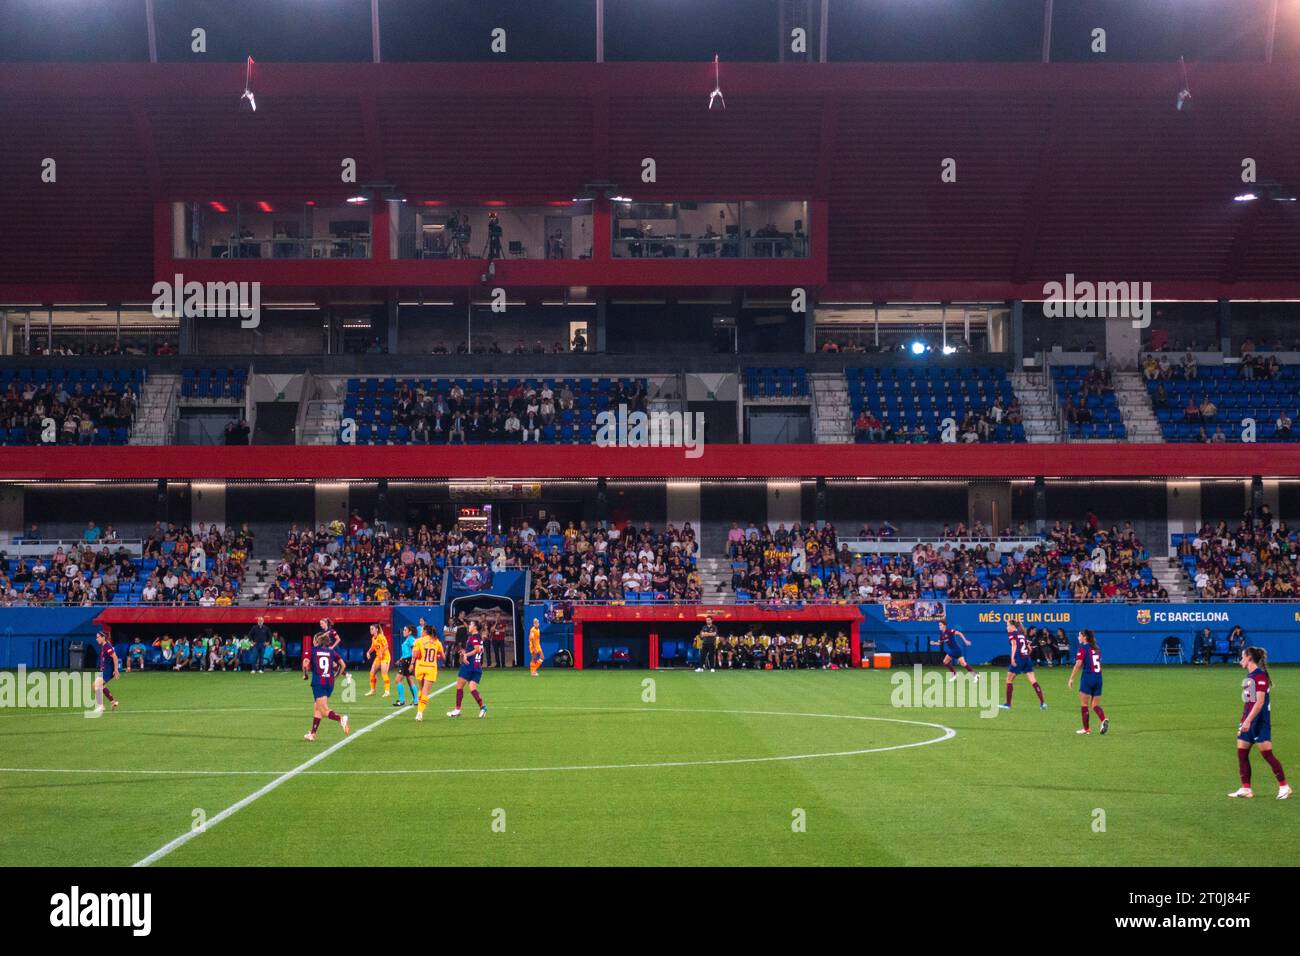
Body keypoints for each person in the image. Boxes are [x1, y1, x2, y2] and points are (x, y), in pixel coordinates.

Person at [1229, 646, 1291, 799]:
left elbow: (1260, 703)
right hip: (1248, 721)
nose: (1240, 660)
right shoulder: (1249, 676)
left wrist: (1248, 721)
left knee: (1267, 754)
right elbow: (1249, 703)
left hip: (1260, 722)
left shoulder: (1260, 677)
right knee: (1241, 752)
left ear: (1249, 657)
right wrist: (1243, 721)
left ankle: (1284, 787)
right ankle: (1246, 789)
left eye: (1242, 656)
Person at [303, 632, 350, 742]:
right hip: (330, 682)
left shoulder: (313, 650)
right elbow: (342, 665)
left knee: (323, 710)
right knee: (317, 707)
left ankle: (340, 719)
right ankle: (313, 734)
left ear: (317, 641)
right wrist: (337, 675)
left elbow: (305, 664)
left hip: (318, 682)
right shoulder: (331, 651)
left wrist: (305, 675)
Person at [1067, 629, 1108, 735]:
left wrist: (1071, 678)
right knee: (1095, 705)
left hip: (1088, 678)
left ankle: (1086, 729)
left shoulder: (1083, 648)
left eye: (1079, 635)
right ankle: (1104, 719)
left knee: (1084, 704)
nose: (1078, 637)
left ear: (1085, 637)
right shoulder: (1096, 648)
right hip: (1099, 678)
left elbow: (1078, 664)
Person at [999, 619, 1046, 711]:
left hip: (1018, 658)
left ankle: (1007, 704)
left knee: (1009, 680)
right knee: (1033, 680)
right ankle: (1042, 703)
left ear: (1013, 626)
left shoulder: (1012, 634)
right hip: (1026, 659)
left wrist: (1012, 658)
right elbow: (1029, 649)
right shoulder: (1021, 634)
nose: (1006, 627)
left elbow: (1014, 645)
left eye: (1007, 625)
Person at [447, 622, 487, 718]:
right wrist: (465, 652)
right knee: (473, 689)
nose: (469, 626)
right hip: (477, 666)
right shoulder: (479, 638)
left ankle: (457, 710)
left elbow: (477, 649)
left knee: (459, 686)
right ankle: (483, 707)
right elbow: (481, 650)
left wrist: (466, 655)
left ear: (475, 627)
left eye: (471, 625)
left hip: (469, 666)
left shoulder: (474, 637)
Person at [411, 624, 445, 722]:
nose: (420, 632)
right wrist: (436, 656)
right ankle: (420, 712)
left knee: (421, 689)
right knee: (425, 691)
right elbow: (443, 657)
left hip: (420, 667)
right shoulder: (437, 642)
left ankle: (419, 711)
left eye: (421, 630)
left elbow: (415, 654)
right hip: (431, 668)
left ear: (425, 631)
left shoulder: (418, 641)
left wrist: (413, 661)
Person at [93, 631, 119, 713]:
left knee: (95, 685)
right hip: (106, 669)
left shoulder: (107, 646)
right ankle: (113, 702)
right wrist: (102, 666)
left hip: (109, 670)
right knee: (100, 686)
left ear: (103, 637)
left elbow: (115, 657)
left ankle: (101, 706)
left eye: (98, 637)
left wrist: (116, 670)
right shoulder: (104, 645)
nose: (96, 638)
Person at [364, 623, 391, 698]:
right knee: (372, 673)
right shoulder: (373, 638)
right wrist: (368, 652)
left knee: (384, 673)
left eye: (372, 629)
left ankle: (387, 691)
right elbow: (373, 647)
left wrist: (381, 653)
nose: (370, 630)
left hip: (385, 657)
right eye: (370, 629)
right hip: (378, 657)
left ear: (376, 629)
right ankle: (372, 690)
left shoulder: (381, 637)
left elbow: (386, 646)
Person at [394, 625, 418, 707]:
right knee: (410, 681)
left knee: (397, 679)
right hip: (407, 660)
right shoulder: (408, 639)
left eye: (405, 630)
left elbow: (414, 651)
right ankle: (416, 700)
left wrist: (411, 663)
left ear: (410, 632)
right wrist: (400, 659)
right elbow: (407, 653)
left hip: (408, 661)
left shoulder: (411, 639)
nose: (403, 631)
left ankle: (401, 700)